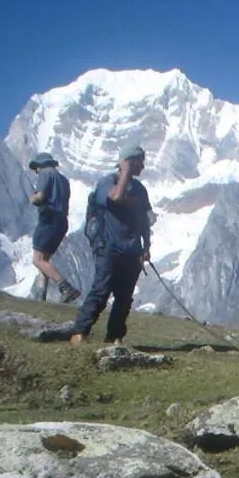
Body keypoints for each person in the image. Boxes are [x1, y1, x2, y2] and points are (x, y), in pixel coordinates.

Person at [70, 142, 153, 346]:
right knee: (101, 289)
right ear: (129, 162)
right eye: (139, 162)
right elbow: (115, 198)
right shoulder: (107, 182)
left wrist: (146, 246)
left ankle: (114, 336)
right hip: (109, 246)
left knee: (124, 297)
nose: (143, 166)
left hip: (132, 249)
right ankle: (80, 332)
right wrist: (125, 172)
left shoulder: (140, 190)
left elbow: (144, 220)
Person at [27, 152, 81, 303]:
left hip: (49, 219)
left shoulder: (45, 174)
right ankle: (41, 297)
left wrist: (32, 199)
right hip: (62, 221)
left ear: (41, 165)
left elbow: (40, 197)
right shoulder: (64, 180)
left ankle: (65, 287)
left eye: (36, 168)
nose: (36, 171)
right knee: (45, 260)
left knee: (37, 260)